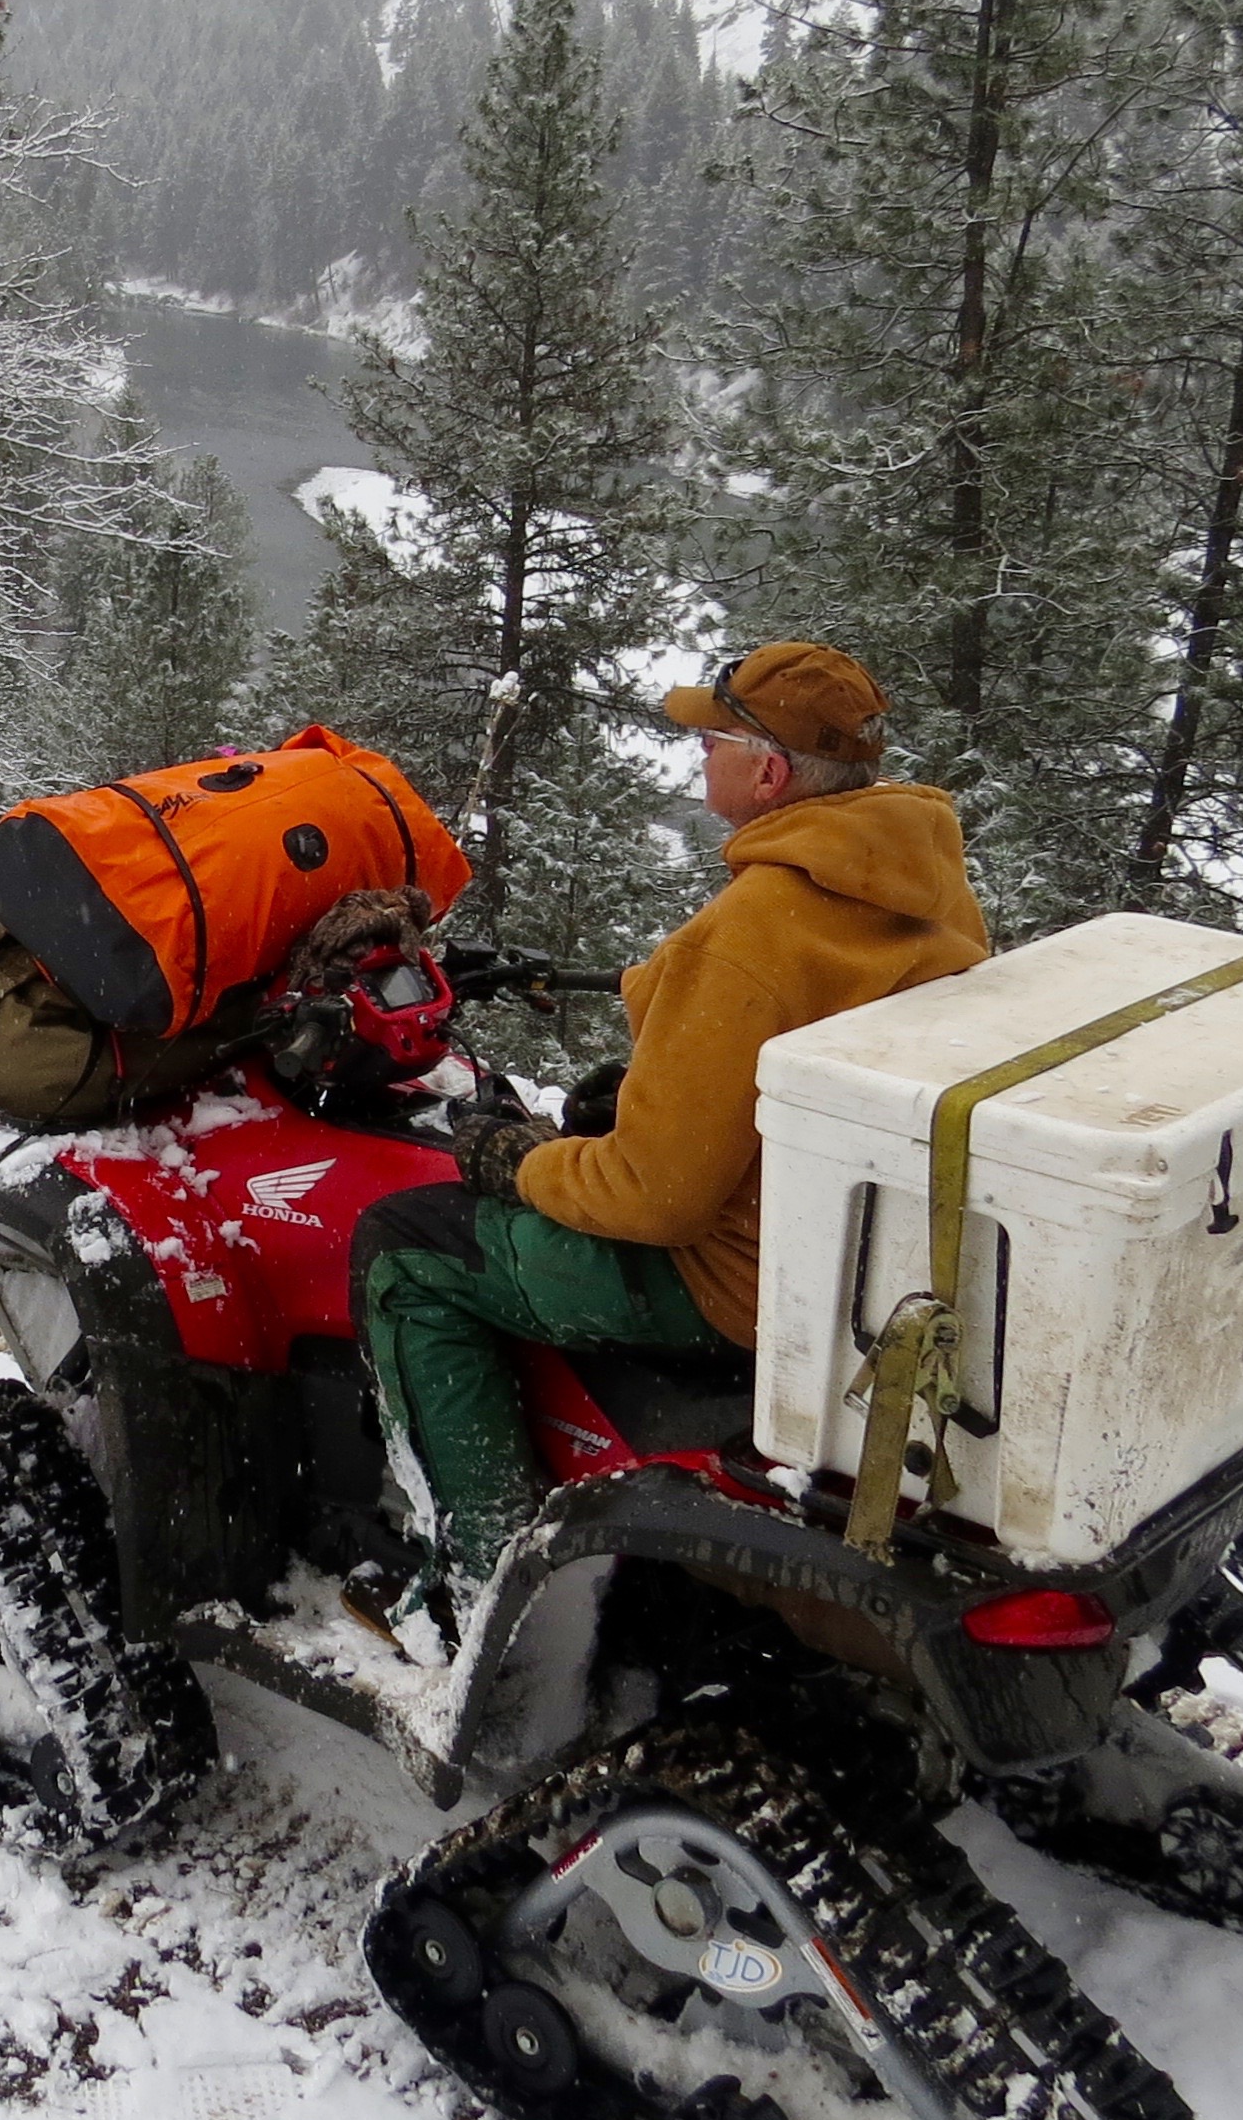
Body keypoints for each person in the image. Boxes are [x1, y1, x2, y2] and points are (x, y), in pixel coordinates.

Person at [353, 640, 990, 1631]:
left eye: (713, 738)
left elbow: (655, 1196)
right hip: (858, 1242)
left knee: (408, 1244)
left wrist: (518, 1160)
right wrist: (652, 1082)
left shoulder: (755, 926)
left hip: (738, 1280)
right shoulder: (920, 882)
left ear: (767, 771)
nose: (700, 753)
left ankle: (484, 1584)